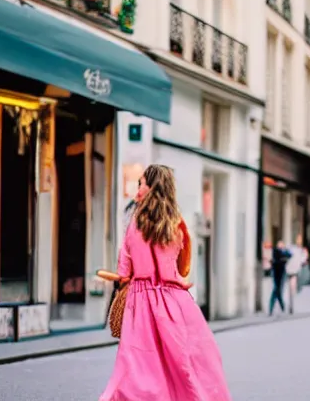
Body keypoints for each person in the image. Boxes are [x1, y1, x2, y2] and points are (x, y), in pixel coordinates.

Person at [99, 164, 231, 401]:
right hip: (176, 301)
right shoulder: (176, 225)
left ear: (149, 188)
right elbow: (182, 266)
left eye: (141, 183)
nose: (138, 188)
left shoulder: (135, 224)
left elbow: (124, 269)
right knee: (188, 361)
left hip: (141, 303)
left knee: (141, 365)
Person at [286, 234, 308, 315]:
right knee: (291, 290)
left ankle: (292, 306)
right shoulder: (292, 249)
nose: (299, 241)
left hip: (295, 272)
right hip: (290, 271)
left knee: (293, 289)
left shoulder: (301, 250)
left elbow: (303, 260)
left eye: (300, 239)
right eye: (298, 239)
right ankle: (291, 306)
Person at [268, 240, 291, 316]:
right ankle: (280, 307)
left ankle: (278, 307)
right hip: (277, 273)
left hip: (280, 273)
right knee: (276, 291)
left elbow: (289, 255)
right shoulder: (276, 252)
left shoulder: (283, 253)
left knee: (277, 291)